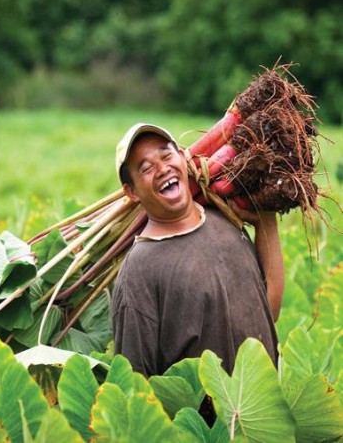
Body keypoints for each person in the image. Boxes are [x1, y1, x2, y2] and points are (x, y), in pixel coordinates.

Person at [111, 123, 284, 382]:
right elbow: (135, 381)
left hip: (258, 409)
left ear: (183, 157)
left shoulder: (225, 219)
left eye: (167, 155)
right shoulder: (139, 269)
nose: (162, 168)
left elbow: (269, 312)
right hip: (200, 421)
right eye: (146, 168)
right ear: (132, 192)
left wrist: (264, 220)